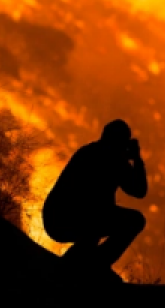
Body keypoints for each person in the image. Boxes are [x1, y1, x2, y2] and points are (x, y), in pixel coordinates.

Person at [42, 119, 148, 283]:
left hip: (56, 218)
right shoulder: (113, 158)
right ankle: (96, 265)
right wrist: (136, 159)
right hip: (71, 218)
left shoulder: (88, 151)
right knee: (134, 220)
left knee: (95, 229)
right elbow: (139, 191)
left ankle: (82, 264)